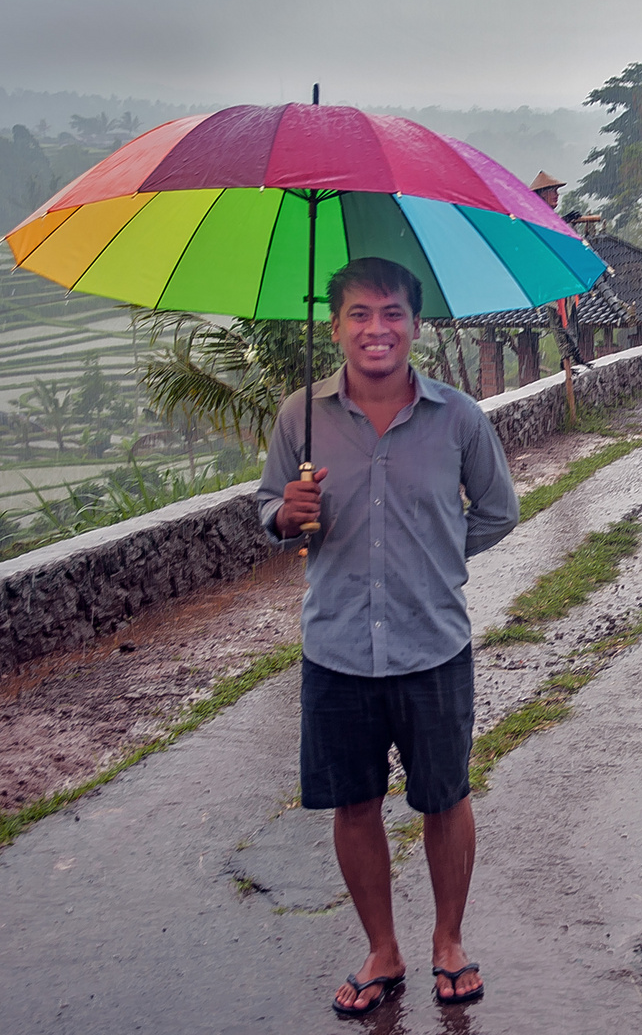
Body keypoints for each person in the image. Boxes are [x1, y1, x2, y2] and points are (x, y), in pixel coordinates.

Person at [257, 257, 519, 1017]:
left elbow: (498, 511)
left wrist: (435, 558)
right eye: (360, 315)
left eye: (393, 313)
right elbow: (269, 509)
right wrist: (287, 513)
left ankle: (447, 941)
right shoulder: (298, 418)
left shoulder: (458, 419)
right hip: (335, 647)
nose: (378, 329)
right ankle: (382, 948)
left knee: (444, 796)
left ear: (415, 324)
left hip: (431, 644)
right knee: (355, 802)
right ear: (334, 326)